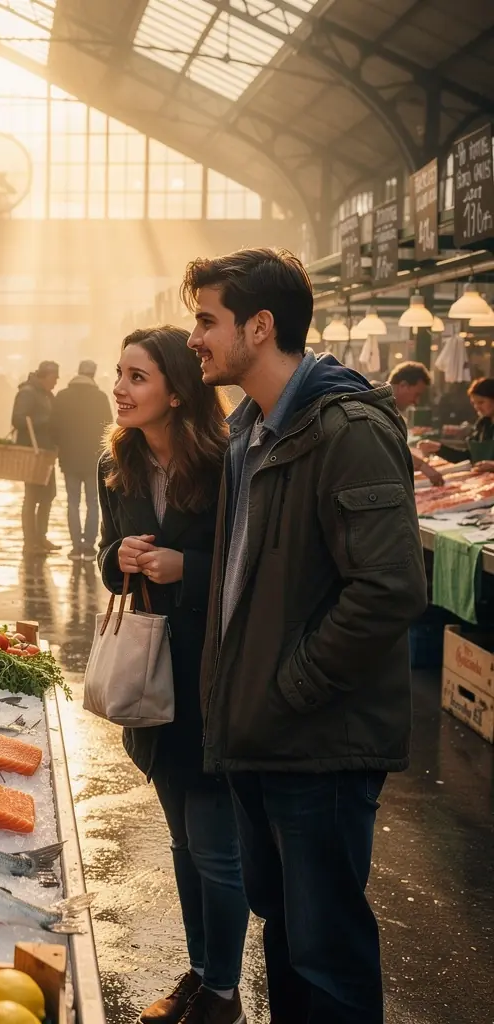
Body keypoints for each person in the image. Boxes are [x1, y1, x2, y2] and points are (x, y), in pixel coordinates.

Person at [184, 247, 428, 1024]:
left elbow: (389, 588)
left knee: (326, 958)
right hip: (266, 736)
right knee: (288, 940)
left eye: (206, 320)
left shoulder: (346, 429)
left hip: (317, 743)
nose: (195, 339)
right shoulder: (252, 431)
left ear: (261, 326)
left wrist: (288, 688)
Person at [98, 327, 248, 1024]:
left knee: (217, 848)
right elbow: (105, 559)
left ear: (177, 390)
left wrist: (187, 571)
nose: (120, 389)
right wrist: (118, 557)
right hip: (153, 679)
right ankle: (200, 973)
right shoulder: (117, 465)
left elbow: (255, 572)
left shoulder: (227, 465)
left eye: (137, 377)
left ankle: (223, 993)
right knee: (184, 844)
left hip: (214, 679)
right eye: (120, 374)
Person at [53, 359, 112, 559]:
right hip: (94, 460)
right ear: (93, 375)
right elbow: (109, 429)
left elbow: (55, 428)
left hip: (69, 459)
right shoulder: (100, 397)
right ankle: (89, 545)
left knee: (72, 502)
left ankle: (75, 546)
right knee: (93, 502)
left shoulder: (62, 396)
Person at [12, 360, 59, 554]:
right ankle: (29, 542)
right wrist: (46, 421)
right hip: (32, 453)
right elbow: (17, 418)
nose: (56, 382)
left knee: (49, 494)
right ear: (44, 376)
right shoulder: (27, 393)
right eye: (54, 378)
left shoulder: (47, 394)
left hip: (46, 452)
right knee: (31, 497)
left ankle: (41, 537)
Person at [387, 361, 443, 485]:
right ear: (403, 385)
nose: (416, 401)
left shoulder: (389, 409)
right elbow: (389, 447)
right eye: (416, 394)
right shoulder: (376, 407)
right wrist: (423, 466)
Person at [418, 376, 494, 464]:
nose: (477, 407)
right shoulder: (482, 425)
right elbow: (469, 457)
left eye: (481, 402)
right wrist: (439, 448)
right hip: (482, 476)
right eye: (474, 403)